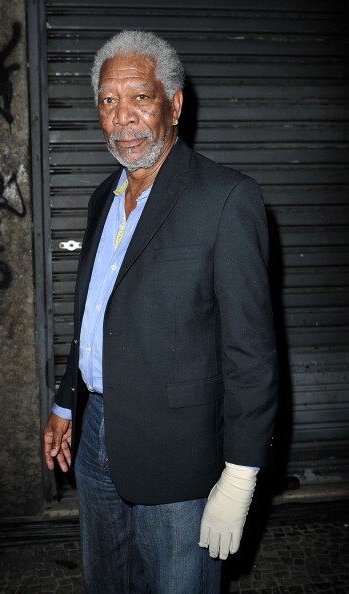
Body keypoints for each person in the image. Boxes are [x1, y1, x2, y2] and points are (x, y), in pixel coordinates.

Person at [43, 30, 278, 593]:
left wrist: (241, 476)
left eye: (139, 97)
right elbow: (97, 312)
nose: (123, 117)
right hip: (98, 436)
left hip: (180, 453)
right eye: (107, 100)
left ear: (174, 104)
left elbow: (251, 352)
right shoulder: (104, 195)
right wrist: (66, 402)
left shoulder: (226, 199)